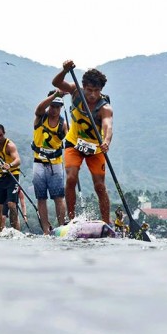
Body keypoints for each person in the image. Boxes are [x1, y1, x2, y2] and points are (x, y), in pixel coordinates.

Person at [52, 60, 113, 224]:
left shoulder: (104, 107)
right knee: (71, 178)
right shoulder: (75, 91)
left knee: (99, 186)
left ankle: (106, 223)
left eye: (96, 91)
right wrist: (65, 70)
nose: (92, 95)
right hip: (74, 143)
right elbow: (56, 83)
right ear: (83, 87)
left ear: (101, 90)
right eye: (89, 90)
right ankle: (71, 220)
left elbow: (108, 126)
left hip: (96, 147)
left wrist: (106, 141)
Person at [31, 89, 68, 234]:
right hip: (39, 162)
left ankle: (61, 228)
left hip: (56, 164)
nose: (54, 110)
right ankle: (46, 230)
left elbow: (70, 140)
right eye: (52, 106)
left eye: (57, 107)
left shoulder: (63, 125)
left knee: (58, 197)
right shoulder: (40, 117)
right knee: (41, 198)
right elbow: (39, 108)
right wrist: (55, 95)